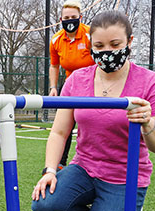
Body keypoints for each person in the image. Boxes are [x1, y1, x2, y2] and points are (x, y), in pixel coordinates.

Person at [32, 10, 155, 211]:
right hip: (84, 168)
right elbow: (59, 131)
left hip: (125, 176)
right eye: (99, 45)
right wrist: (50, 171)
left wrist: (147, 123)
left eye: (115, 44)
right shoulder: (77, 81)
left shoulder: (150, 82)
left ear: (129, 43)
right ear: (91, 46)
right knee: (43, 204)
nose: (107, 51)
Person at [49, 0, 95, 168]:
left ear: (80, 17)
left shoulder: (91, 34)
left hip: (93, 84)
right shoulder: (56, 40)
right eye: (66, 17)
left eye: (73, 17)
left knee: (91, 122)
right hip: (71, 85)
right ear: (61, 19)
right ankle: (59, 163)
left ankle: (92, 160)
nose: (70, 20)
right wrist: (53, 87)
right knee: (63, 124)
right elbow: (54, 65)